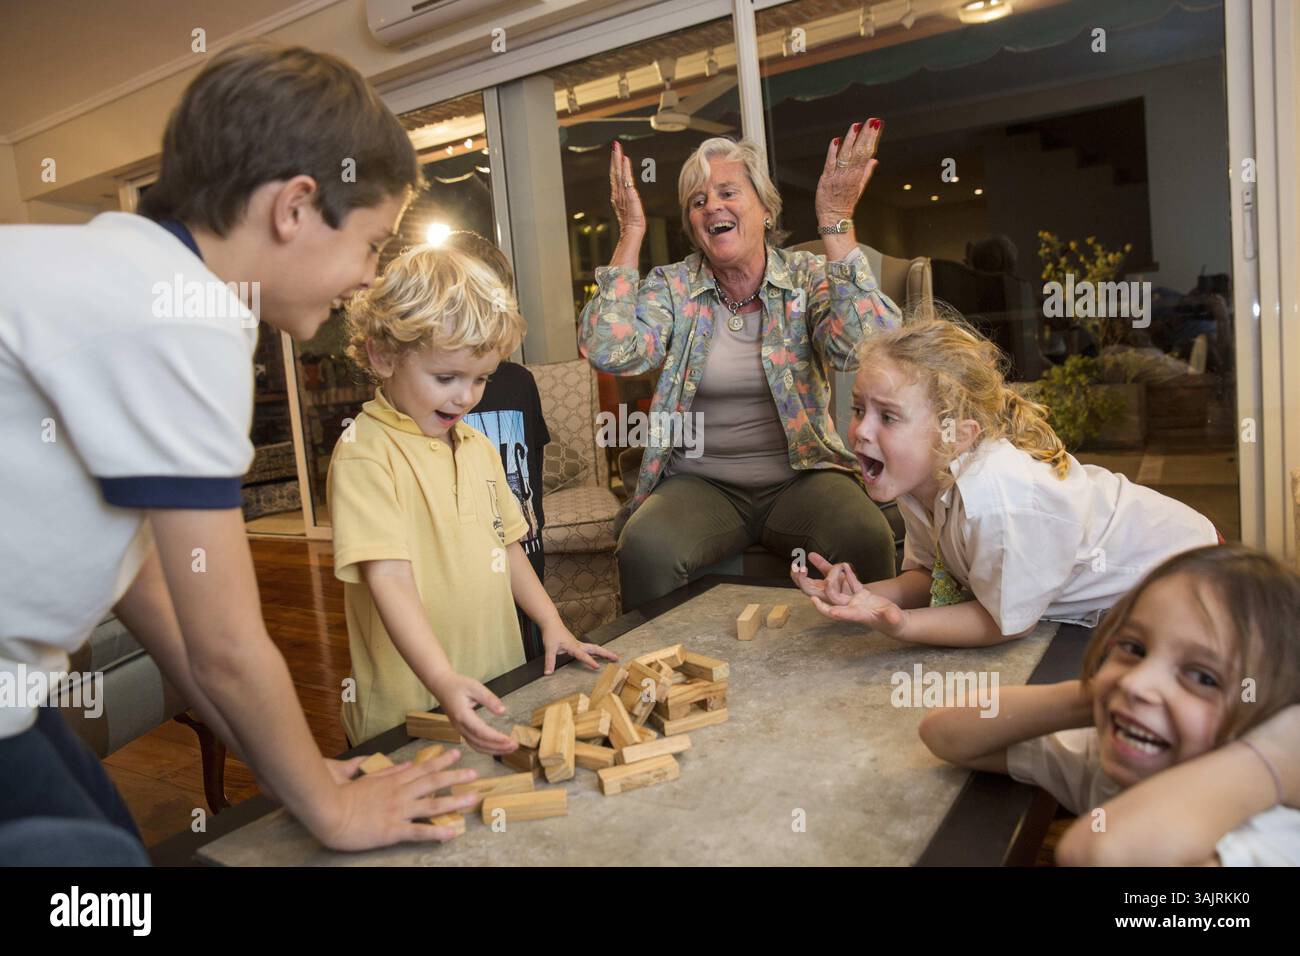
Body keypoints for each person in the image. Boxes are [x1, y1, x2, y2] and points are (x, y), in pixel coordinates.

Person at [0, 41, 477, 863]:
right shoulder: (182, 322)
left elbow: (167, 607)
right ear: (294, 207)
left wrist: (302, 775)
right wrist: (333, 810)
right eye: (371, 243)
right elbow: (226, 646)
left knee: (110, 844)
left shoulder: (130, 275)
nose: (367, 279)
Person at [579, 126, 901, 611]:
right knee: (646, 548)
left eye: (728, 192)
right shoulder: (674, 286)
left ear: (766, 210)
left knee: (864, 536)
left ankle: (871, 668)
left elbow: (868, 345)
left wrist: (835, 221)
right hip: (700, 482)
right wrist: (631, 234)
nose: (711, 206)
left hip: (801, 476)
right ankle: (661, 679)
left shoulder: (804, 277)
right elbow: (608, 349)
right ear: (693, 227)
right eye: (697, 201)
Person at [329, 246, 618, 748]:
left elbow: (508, 549)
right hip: (411, 711)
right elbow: (390, 580)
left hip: (494, 684)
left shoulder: (478, 445)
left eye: (481, 378)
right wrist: (442, 681)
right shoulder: (364, 453)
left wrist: (553, 623)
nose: (466, 397)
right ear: (383, 355)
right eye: (446, 378)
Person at [793, 318, 1218, 645]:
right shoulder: (920, 479)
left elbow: (1005, 622)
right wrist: (865, 598)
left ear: (957, 435)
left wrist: (903, 625)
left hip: (1187, 578)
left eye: (887, 416)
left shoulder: (995, 498)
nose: (862, 431)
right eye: (858, 409)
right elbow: (932, 576)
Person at [920, 545, 1300, 866]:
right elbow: (945, 733)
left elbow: (1096, 853)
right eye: (1134, 649)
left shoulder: (1267, 840)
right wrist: (1097, 692)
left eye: (1202, 677)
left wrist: (1266, 759)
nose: (1137, 683)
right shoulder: (1105, 759)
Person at [443, 230, 551, 662]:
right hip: (465, 567)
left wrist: (533, 538)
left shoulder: (520, 383)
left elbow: (533, 467)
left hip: (523, 554)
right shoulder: (435, 396)